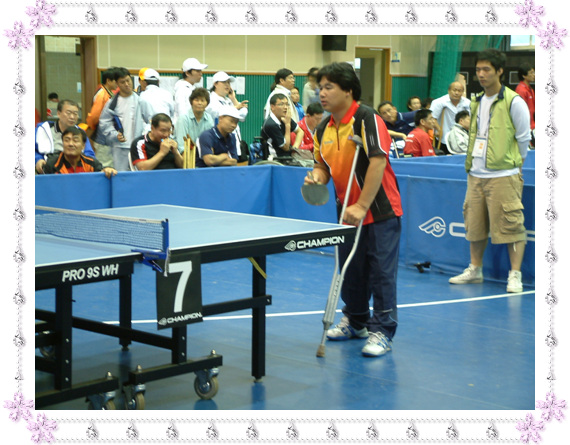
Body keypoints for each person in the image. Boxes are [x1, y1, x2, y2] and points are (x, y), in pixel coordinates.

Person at [306, 62, 403, 357]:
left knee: (381, 273)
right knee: (351, 271)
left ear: (348, 90)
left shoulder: (367, 118)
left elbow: (378, 161)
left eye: (329, 87)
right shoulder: (323, 128)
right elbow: (322, 165)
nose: (321, 93)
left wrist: (362, 205)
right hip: (346, 212)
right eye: (320, 88)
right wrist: (317, 177)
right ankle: (357, 320)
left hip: (380, 210)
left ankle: (382, 331)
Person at [449, 48, 531, 293]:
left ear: (500, 71)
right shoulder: (475, 101)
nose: (481, 74)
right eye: (478, 70)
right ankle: (475, 269)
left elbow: (524, 138)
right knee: (474, 225)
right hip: (475, 174)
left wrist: (514, 165)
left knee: (511, 226)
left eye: (486, 69)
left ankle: (515, 275)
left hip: (504, 175)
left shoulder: (514, 101)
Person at [98, 68, 149, 171]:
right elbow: (104, 123)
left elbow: (149, 120)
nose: (126, 84)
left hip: (138, 147)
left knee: (138, 175)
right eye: (122, 82)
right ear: (117, 83)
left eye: (128, 80)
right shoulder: (112, 104)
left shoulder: (141, 100)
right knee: (121, 175)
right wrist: (114, 135)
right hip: (119, 147)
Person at [35, 99, 96, 174]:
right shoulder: (44, 129)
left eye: (75, 114)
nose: (72, 117)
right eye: (68, 113)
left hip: (76, 170)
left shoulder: (80, 132)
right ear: (58, 113)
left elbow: (89, 154)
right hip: (51, 169)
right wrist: (38, 159)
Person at [43, 126, 117, 178]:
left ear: (83, 146)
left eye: (75, 140)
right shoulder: (51, 164)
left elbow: (101, 176)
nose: (71, 144)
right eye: (67, 140)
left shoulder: (92, 164)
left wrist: (107, 170)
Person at [205, 71, 249, 158]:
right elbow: (219, 113)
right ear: (215, 84)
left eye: (228, 82)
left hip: (233, 142)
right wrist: (236, 107)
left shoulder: (228, 101)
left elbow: (243, 115)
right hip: (219, 142)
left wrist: (233, 99)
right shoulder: (210, 99)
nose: (227, 85)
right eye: (224, 82)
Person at [86, 67, 118, 168]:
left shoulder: (108, 92)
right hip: (103, 135)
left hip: (109, 135)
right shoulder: (102, 94)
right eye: (116, 81)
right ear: (108, 81)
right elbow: (94, 116)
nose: (118, 84)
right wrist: (93, 128)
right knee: (104, 165)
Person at [429, 81, 471, 154]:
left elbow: (471, 119)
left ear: (463, 92)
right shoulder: (439, 102)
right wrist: (439, 129)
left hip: (461, 139)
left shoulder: (467, 103)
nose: (456, 93)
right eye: (454, 90)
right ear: (449, 91)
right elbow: (432, 118)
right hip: (443, 137)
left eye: (459, 91)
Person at [261, 93, 304, 162]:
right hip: (276, 159)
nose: (285, 107)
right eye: (281, 104)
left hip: (288, 157)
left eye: (287, 104)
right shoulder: (270, 124)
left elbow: (300, 132)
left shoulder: (285, 117)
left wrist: (294, 148)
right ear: (272, 107)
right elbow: (286, 147)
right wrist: (287, 125)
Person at [175, 87, 215, 153]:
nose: (199, 103)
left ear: (207, 103)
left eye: (202, 100)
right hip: (185, 153)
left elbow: (210, 141)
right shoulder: (183, 118)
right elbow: (181, 145)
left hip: (203, 153)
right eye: (196, 100)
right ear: (191, 102)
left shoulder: (209, 118)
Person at [174, 57, 208, 123]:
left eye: (200, 71)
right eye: (197, 71)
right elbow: (182, 111)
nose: (200, 73)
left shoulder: (192, 88)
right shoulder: (182, 88)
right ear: (187, 73)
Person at [515, 63, 535, 132]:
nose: (534, 75)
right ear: (524, 75)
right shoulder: (521, 90)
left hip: (532, 125)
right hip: (526, 127)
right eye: (531, 73)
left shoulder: (530, 89)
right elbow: (520, 112)